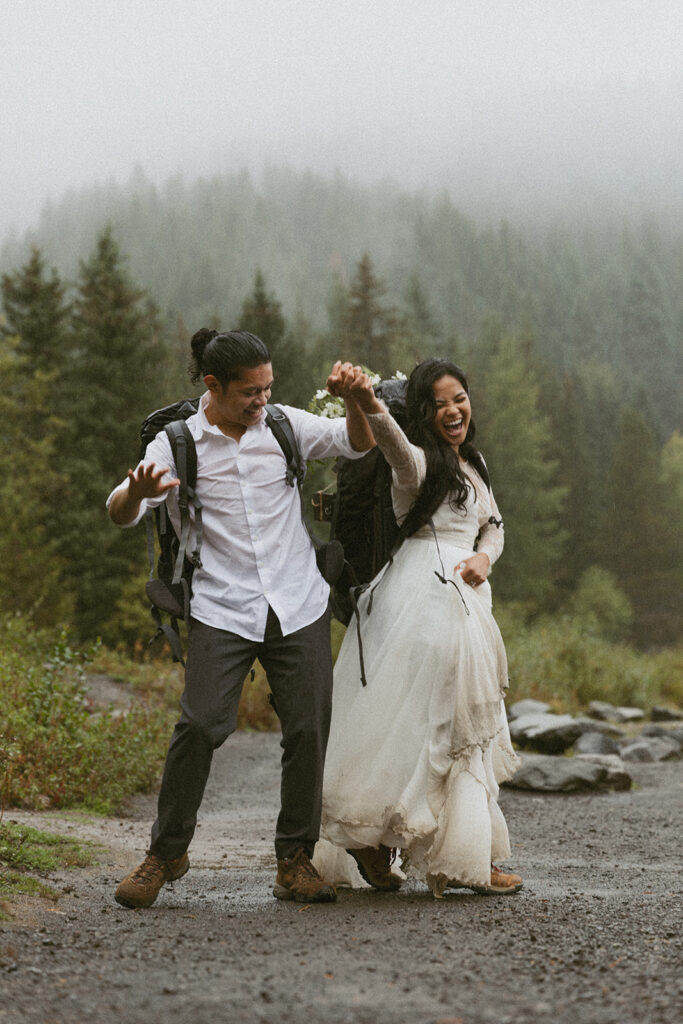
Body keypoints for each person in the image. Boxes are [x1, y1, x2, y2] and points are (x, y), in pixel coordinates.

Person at [108, 330, 374, 908]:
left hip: (298, 602)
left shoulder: (282, 425)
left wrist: (356, 398)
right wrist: (137, 491)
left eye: (268, 387)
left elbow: (353, 444)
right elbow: (120, 512)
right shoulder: (175, 443)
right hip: (221, 606)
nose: (262, 399)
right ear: (213, 386)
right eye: (250, 391)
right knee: (201, 725)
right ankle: (166, 852)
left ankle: (293, 861)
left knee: (307, 728)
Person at [313, 358, 523, 898]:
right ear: (422, 415)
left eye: (460, 398)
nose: (453, 411)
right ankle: (443, 854)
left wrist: (484, 560)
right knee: (440, 729)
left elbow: (493, 526)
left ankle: (444, 852)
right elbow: (390, 444)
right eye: (438, 405)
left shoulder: (472, 463)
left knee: (440, 728)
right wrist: (364, 401)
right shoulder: (419, 465)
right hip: (425, 602)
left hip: (463, 600)